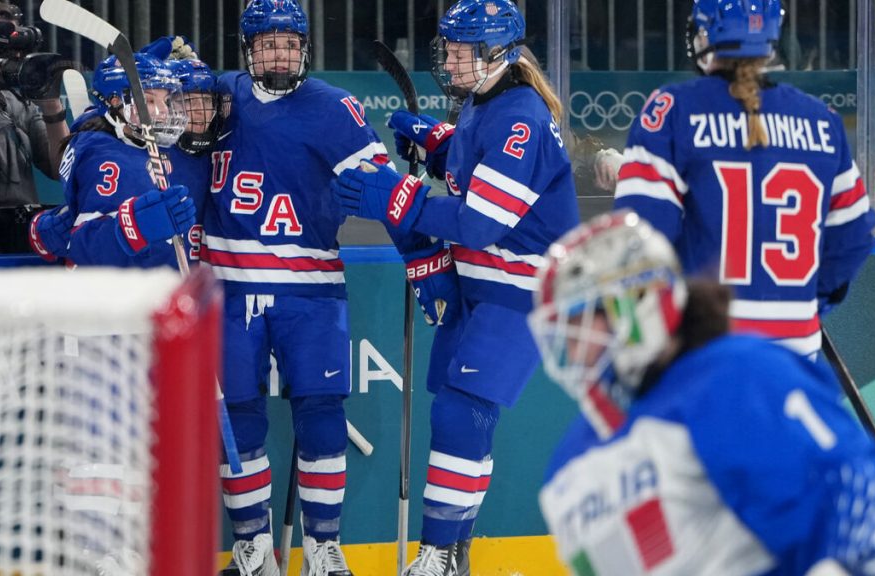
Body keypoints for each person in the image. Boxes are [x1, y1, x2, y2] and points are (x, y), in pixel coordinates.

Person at [528, 210, 875, 575]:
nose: (571, 349)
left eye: (580, 321)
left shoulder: (739, 380)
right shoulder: (569, 464)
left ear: (636, 303)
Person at [331, 1, 579, 573]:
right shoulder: (483, 102)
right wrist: (440, 143)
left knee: (462, 414)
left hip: (522, 289)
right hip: (481, 284)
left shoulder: (523, 115)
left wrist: (398, 197)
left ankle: (439, 555)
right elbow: (475, 163)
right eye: (449, 47)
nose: (449, 59)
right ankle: (454, 555)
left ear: (499, 53)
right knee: (459, 413)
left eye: (462, 49)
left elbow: (479, 221)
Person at [202, 1, 388, 574]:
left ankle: (323, 548)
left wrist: (408, 198)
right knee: (238, 417)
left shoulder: (335, 109)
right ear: (247, 49)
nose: (278, 53)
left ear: (304, 48)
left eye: (289, 43)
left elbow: (381, 185)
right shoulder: (218, 98)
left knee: (322, 414)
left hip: (311, 291)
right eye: (267, 43)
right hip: (229, 290)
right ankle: (254, 545)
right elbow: (151, 110)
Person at [615, 0, 875, 358]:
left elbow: (640, 237)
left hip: (706, 347)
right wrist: (806, 302)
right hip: (795, 349)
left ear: (704, 35)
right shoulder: (823, 121)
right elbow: (854, 235)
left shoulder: (671, 110)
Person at [58, 51, 195, 269]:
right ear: (114, 101)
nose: (162, 113)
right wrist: (136, 228)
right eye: (149, 100)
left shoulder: (153, 145)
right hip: (115, 295)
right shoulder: (103, 156)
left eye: (166, 101)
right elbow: (83, 247)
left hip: (157, 288)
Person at [0, 0, 69, 253]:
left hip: (21, 236)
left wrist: (52, 106)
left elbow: (62, 170)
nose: (16, 55)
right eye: (5, 47)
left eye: (18, 46)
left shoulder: (16, 101)